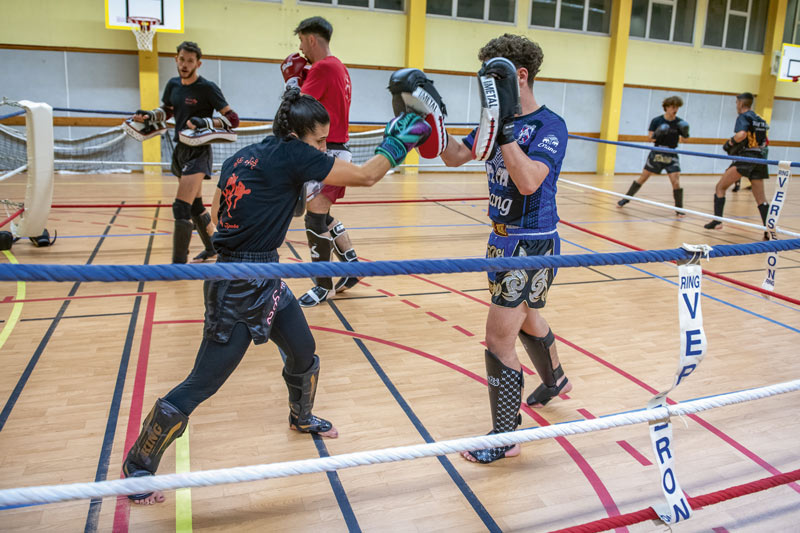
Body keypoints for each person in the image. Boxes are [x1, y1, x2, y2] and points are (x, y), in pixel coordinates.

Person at [121, 88, 431, 505]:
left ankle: (301, 418)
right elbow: (366, 176)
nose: (324, 149)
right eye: (320, 141)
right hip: (240, 284)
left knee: (303, 349)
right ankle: (138, 466)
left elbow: (214, 210)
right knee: (203, 382)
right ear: (298, 135)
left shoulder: (245, 155)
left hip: (261, 271)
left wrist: (251, 236)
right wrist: (398, 140)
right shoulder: (293, 154)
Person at [436, 34, 571, 464]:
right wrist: (428, 123)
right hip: (500, 236)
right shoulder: (497, 122)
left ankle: (506, 436)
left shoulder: (550, 126)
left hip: (531, 241)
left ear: (519, 77)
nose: (486, 87)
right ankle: (556, 380)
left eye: (493, 78)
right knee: (528, 315)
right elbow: (457, 156)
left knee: (498, 339)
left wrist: (506, 130)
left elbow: (529, 180)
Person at [133, 41, 239, 264]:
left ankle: (178, 264)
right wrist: (150, 116)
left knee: (181, 207)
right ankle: (212, 248)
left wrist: (206, 121)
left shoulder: (207, 88)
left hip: (199, 152)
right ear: (176, 59)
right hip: (180, 149)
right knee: (195, 207)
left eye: (190, 61)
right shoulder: (173, 85)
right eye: (182, 59)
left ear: (198, 64)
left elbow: (233, 119)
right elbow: (168, 110)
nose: (185, 64)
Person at [283, 16, 361, 307]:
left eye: (302, 41)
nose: (301, 48)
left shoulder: (323, 66)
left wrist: (293, 80)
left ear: (311, 39)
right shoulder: (338, 67)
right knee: (323, 215)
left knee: (314, 216)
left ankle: (322, 285)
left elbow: (297, 109)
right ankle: (351, 266)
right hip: (333, 149)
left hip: (327, 152)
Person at [704, 92, 770, 238]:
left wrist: (730, 142)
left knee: (720, 187)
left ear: (740, 103)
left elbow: (741, 134)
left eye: (736, 103)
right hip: (760, 159)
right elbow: (765, 141)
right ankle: (769, 229)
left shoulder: (744, 117)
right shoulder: (760, 119)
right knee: (761, 199)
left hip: (747, 158)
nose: (736, 105)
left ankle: (718, 220)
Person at [617, 96, 689, 216]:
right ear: (666, 107)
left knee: (675, 182)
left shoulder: (679, 123)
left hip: (671, 153)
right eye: (672, 107)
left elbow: (685, 141)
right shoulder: (657, 121)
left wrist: (685, 132)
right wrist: (658, 132)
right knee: (643, 178)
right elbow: (650, 138)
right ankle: (626, 199)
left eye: (677, 107)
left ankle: (679, 209)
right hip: (657, 152)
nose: (675, 109)